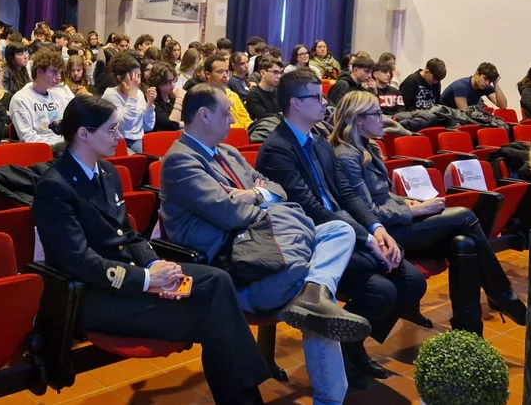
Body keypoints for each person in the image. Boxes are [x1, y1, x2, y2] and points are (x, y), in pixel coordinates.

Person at [33, 94, 271, 404]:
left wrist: (155, 266)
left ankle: (243, 398)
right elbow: (77, 261)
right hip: (95, 295)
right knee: (213, 319)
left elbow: (128, 234)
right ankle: (246, 400)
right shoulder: (55, 186)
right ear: (83, 134)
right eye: (111, 129)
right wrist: (145, 281)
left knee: (216, 281)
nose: (119, 137)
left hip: (130, 279)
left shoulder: (106, 173)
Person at [159, 85, 371, 404]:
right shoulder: (180, 161)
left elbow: (277, 189)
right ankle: (316, 297)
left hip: (270, 250)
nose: (233, 118)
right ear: (203, 115)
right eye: (226, 112)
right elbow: (229, 214)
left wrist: (256, 195)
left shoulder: (227, 152)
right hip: (238, 268)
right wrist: (264, 202)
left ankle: (316, 289)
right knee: (315, 300)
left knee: (340, 231)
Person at [255, 68, 426, 386]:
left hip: (345, 226)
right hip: (317, 238)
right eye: (316, 97)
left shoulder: (318, 141)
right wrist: (365, 239)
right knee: (382, 291)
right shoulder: (278, 149)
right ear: (295, 104)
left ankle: (352, 343)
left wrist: (375, 228)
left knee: (413, 282)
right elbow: (311, 208)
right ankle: (350, 347)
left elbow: (345, 194)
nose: (324, 102)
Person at [331, 91, 526, 336]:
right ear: (358, 119)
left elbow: (382, 195)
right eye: (376, 114)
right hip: (383, 235)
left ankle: (468, 332)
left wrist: (406, 201)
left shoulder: (369, 147)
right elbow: (367, 212)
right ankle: (502, 295)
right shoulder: (346, 156)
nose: (383, 119)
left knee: (463, 243)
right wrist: (417, 210)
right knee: (465, 215)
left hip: (397, 223)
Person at [8, 50, 71, 151]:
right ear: (39, 71)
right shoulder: (20, 100)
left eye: (60, 72)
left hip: (65, 148)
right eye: (54, 72)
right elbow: (27, 138)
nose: (59, 77)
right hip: (41, 152)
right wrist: (58, 146)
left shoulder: (59, 95)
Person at [103, 54, 156, 153]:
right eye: (133, 77)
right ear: (120, 78)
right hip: (119, 140)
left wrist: (150, 105)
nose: (138, 81)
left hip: (139, 139)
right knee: (139, 159)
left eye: (139, 76)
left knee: (157, 156)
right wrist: (131, 97)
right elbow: (124, 125)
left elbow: (148, 126)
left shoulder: (139, 93)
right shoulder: (110, 94)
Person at [202, 52, 252, 130]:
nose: (225, 75)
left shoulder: (233, 95)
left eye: (226, 71)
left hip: (242, 136)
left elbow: (246, 120)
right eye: (220, 72)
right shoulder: (202, 97)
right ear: (208, 74)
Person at [440, 62, 507, 110]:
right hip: (445, 118)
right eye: (485, 79)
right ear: (477, 74)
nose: (487, 83)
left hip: (458, 118)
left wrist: (496, 84)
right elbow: (464, 112)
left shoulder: (485, 86)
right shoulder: (461, 86)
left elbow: (503, 106)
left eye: (490, 81)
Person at [245, 56, 283, 121]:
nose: (279, 76)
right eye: (275, 72)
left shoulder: (279, 93)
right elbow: (265, 117)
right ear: (263, 73)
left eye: (280, 73)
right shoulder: (253, 95)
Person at [148, 63, 183, 131]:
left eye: (173, 80)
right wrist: (179, 99)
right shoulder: (153, 99)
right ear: (158, 82)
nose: (172, 85)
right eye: (168, 82)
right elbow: (170, 125)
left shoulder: (172, 97)